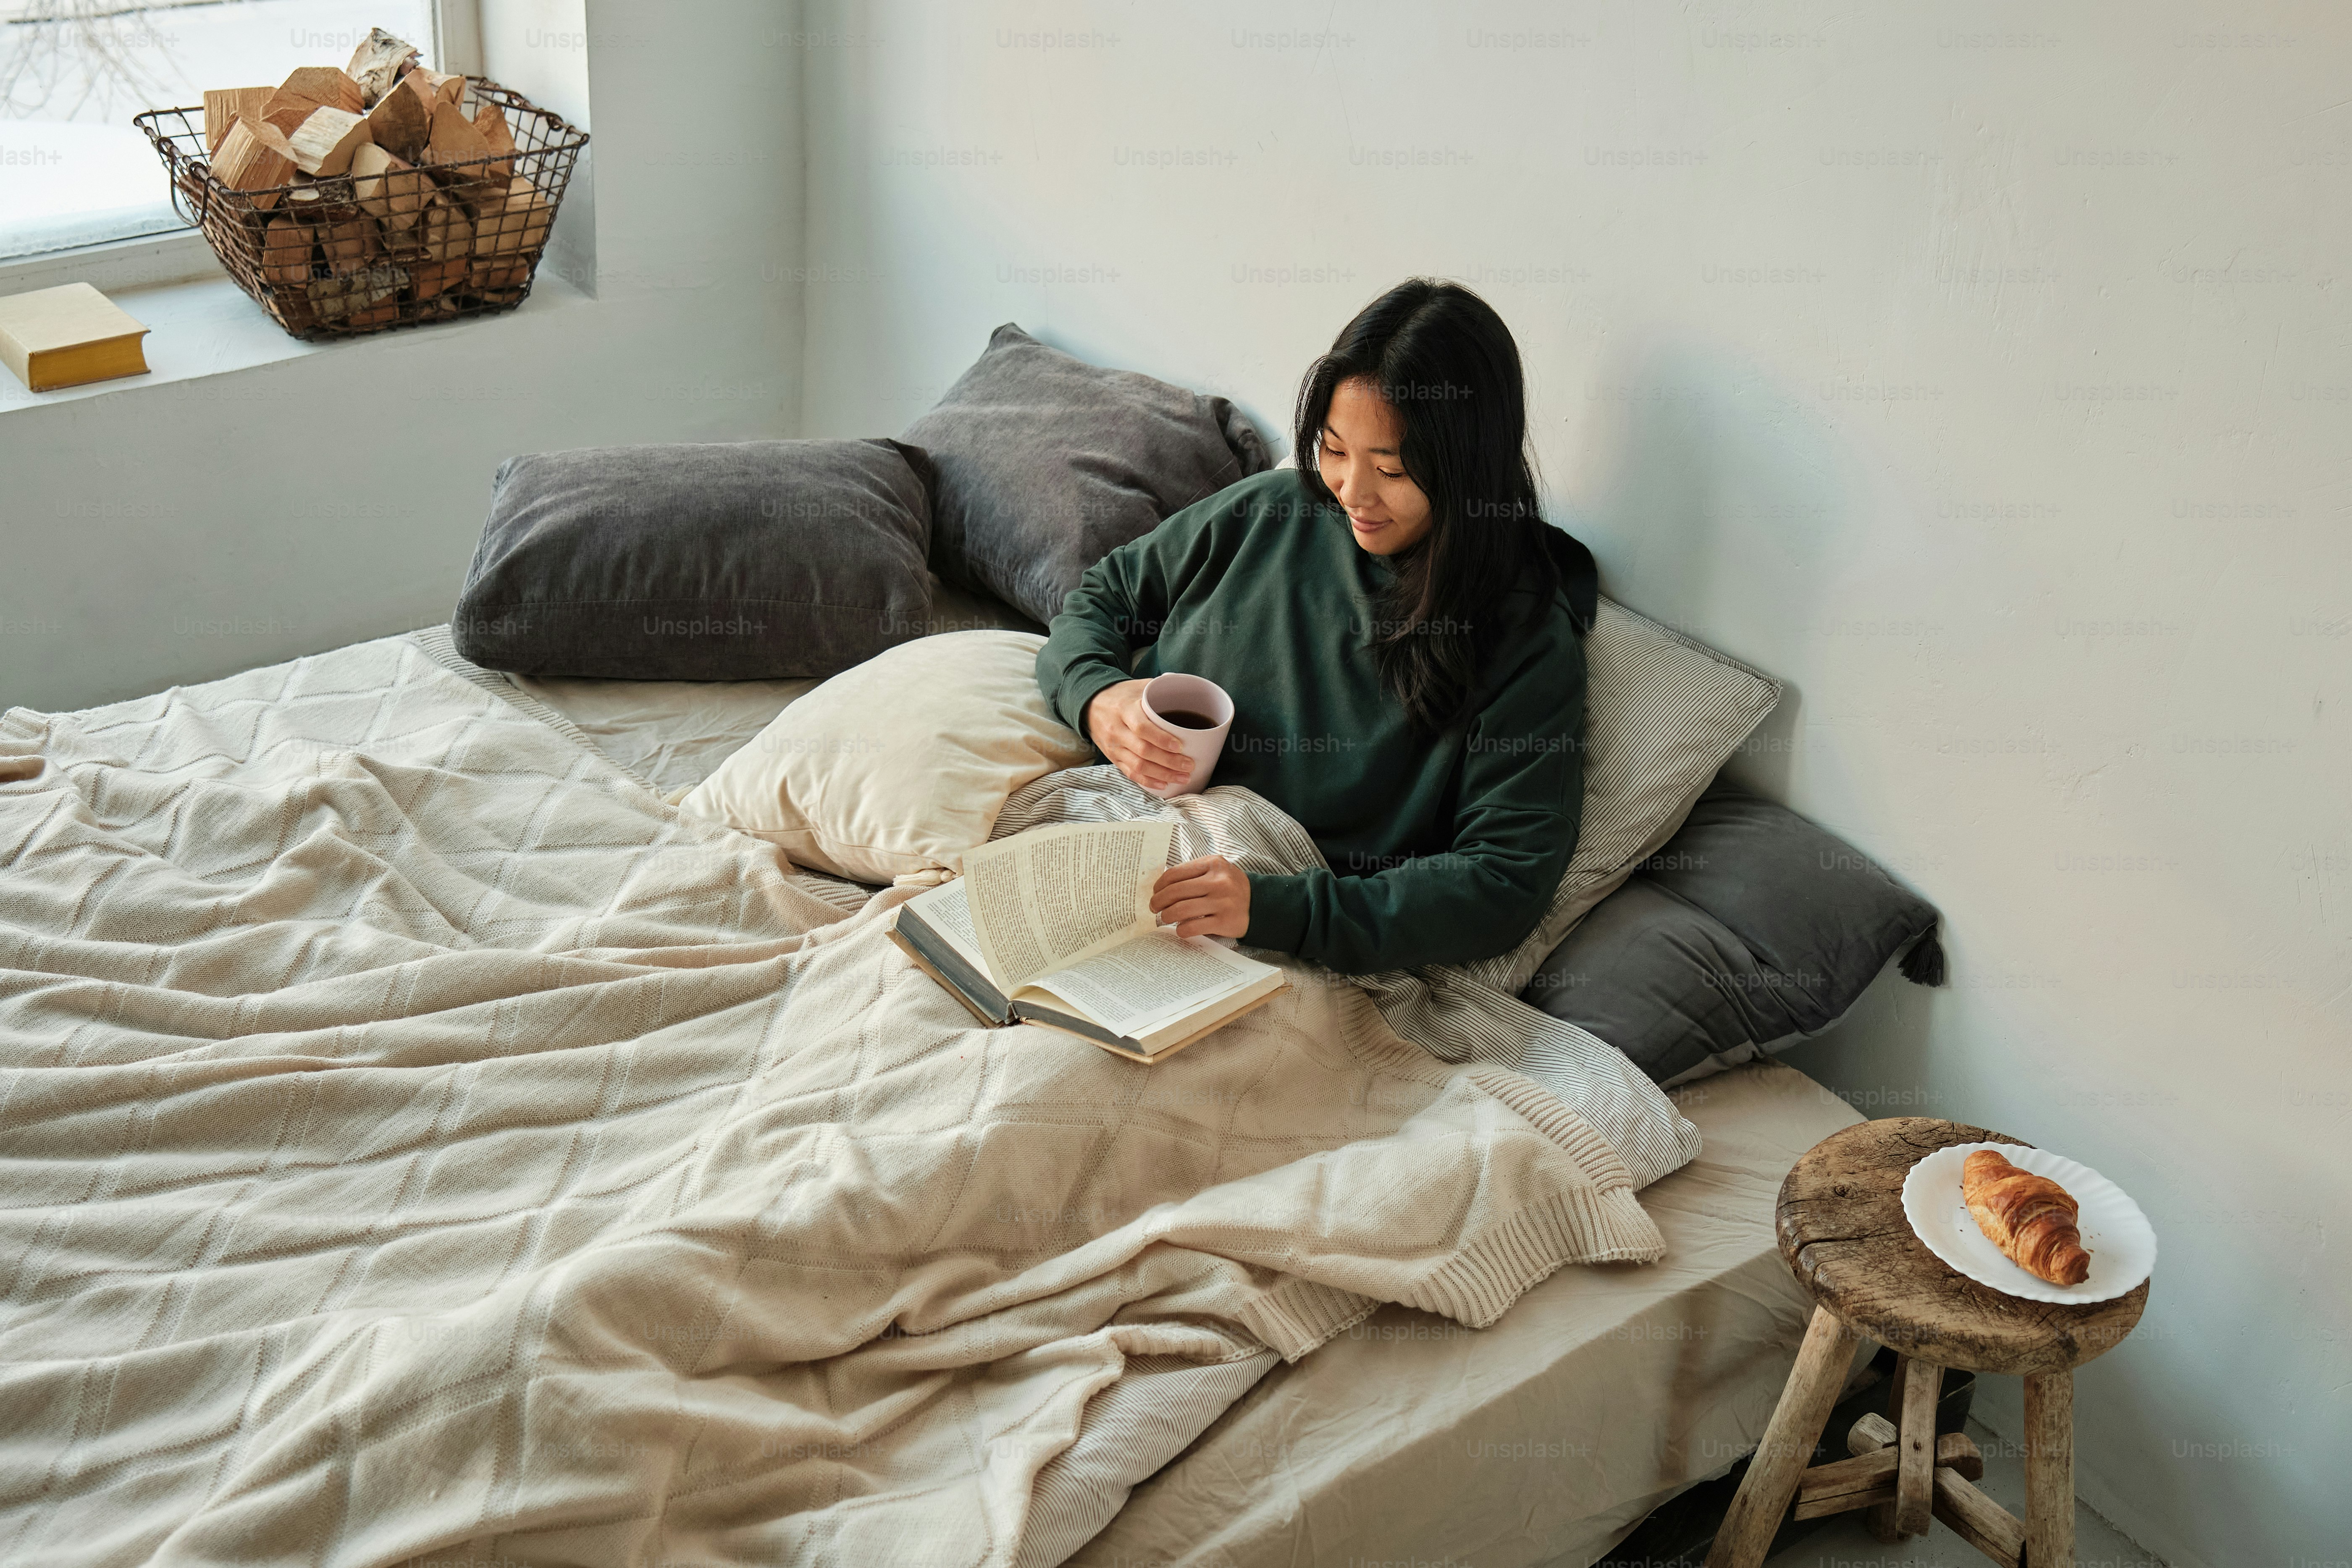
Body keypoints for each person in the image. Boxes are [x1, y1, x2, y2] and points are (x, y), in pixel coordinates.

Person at [1034, 278, 1596, 974]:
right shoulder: (1272, 511)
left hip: (1277, 931)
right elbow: (1104, 593)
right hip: (1102, 841)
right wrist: (1095, 695)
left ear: (1469, 468)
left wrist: (1280, 910)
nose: (1352, 492)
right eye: (1333, 449)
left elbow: (1502, 881)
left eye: (1391, 469)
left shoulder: (1523, 640)